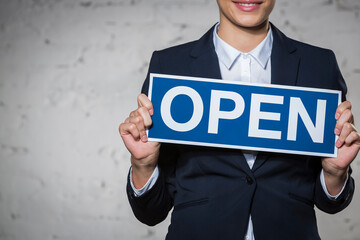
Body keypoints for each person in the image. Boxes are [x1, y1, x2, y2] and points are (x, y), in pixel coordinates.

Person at [119, 0, 359, 239]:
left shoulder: (319, 65)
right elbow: (152, 213)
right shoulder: (170, 66)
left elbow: (330, 203)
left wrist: (335, 172)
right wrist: (144, 165)